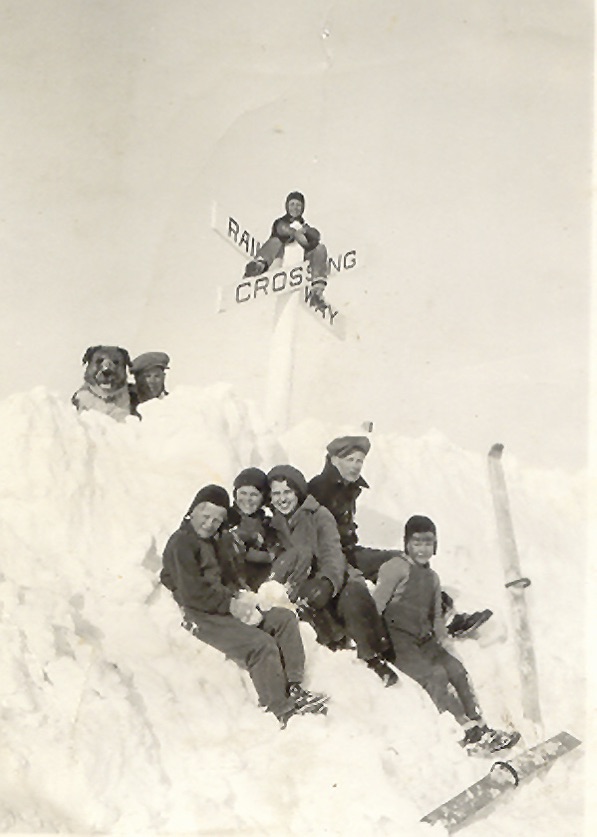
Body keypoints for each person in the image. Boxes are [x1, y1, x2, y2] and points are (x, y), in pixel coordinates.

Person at [160, 484, 328, 727]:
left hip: (223, 604)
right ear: (192, 511)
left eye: (217, 520)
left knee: (284, 619)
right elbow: (192, 593)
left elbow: (227, 576)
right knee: (261, 645)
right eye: (205, 516)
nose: (209, 524)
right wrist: (230, 605)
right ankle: (278, 708)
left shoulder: (215, 540)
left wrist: (241, 595)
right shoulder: (181, 544)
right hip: (201, 614)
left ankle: (293, 687)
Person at [308, 436, 493, 638]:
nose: (355, 466)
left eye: (359, 461)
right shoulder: (320, 489)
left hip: (348, 552)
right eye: (350, 460)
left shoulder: (346, 487)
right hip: (333, 559)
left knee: (401, 560)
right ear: (334, 460)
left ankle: (442, 614)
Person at [373, 515, 519, 753]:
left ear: (436, 545)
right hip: (398, 641)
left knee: (457, 670)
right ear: (406, 543)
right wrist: (373, 641)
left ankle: (480, 725)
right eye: (417, 542)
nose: (422, 549)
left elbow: (436, 616)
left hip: (425, 639)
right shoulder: (395, 568)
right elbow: (375, 606)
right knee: (436, 675)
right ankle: (466, 731)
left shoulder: (432, 578)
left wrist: (443, 641)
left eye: (428, 542)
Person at [266, 464, 398, 687]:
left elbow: (332, 553)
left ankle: (374, 656)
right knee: (312, 611)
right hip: (305, 583)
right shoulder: (273, 525)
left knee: (354, 599)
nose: (282, 499)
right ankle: (338, 645)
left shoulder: (319, 515)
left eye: (287, 492)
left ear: (297, 492)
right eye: (276, 493)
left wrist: (328, 582)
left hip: (335, 576)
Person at [243, 191, 329, 311]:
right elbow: (281, 230)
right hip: (279, 258)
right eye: (292, 204)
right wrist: (295, 232)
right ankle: (259, 264)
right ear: (287, 206)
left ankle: (317, 291)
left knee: (319, 248)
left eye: (298, 205)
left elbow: (315, 238)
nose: (295, 208)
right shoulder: (281, 222)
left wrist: (307, 233)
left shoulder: (305, 226)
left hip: (300, 262)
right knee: (276, 241)